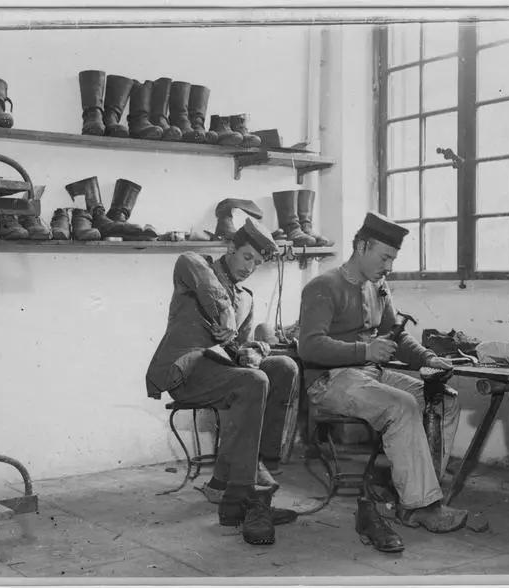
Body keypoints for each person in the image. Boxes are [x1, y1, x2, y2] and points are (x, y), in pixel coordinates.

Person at [298, 212, 469, 553]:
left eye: (393, 258)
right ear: (362, 246)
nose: (389, 265)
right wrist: (365, 348)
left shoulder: (378, 286)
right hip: (329, 381)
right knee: (401, 404)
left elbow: (396, 337)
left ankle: (418, 493)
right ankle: (422, 505)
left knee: (443, 398)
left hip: (367, 374)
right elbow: (309, 346)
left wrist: (427, 358)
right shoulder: (323, 286)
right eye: (385, 256)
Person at [146, 218, 298, 546]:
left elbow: (240, 349)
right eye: (246, 258)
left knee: (282, 367)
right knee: (254, 383)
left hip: (223, 373)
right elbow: (194, 268)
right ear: (230, 248)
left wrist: (251, 354)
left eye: (257, 263)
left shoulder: (246, 296)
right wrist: (225, 312)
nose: (250, 268)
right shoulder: (196, 266)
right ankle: (239, 502)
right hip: (187, 373)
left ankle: (245, 481)